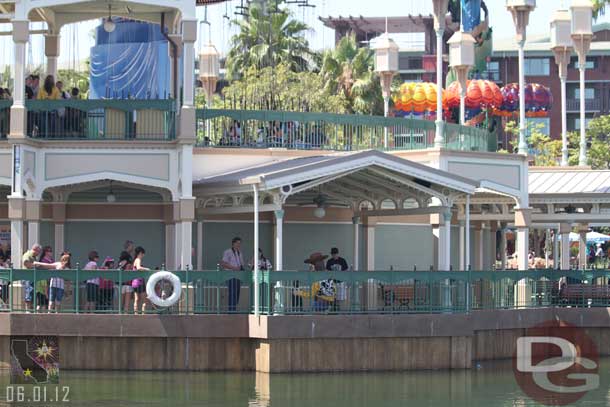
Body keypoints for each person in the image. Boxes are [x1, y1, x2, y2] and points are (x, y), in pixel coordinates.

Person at [220, 237, 244, 312]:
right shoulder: (228, 252)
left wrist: (241, 267)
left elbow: (241, 264)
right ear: (233, 243)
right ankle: (231, 311)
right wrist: (234, 268)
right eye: (237, 243)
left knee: (237, 294)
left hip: (238, 276)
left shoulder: (239, 253)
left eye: (240, 243)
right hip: (230, 275)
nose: (239, 245)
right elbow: (223, 263)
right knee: (232, 293)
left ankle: (234, 309)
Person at [22, 244, 43, 311]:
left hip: (31, 277)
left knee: (32, 293)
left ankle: (31, 309)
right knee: (29, 293)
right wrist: (36, 265)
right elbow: (26, 263)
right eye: (38, 252)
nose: (39, 254)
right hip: (27, 277)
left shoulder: (33, 256)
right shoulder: (28, 255)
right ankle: (28, 310)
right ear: (35, 249)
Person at [35, 246, 54, 311]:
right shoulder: (43, 260)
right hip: (44, 281)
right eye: (49, 251)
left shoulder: (51, 260)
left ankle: (46, 312)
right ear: (46, 252)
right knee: (41, 301)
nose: (51, 252)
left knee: (47, 299)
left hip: (51, 280)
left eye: (51, 251)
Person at [132, 246, 150, 314]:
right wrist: (146, 269)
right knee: (144, 300)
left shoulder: (135, 260)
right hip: (139, 282)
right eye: (143, 254)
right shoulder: (138, 259)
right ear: (140, 253)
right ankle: (143, 314)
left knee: (136, 299)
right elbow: (138, 267)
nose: (143, 255)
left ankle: (135, 314)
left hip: (134, 282)